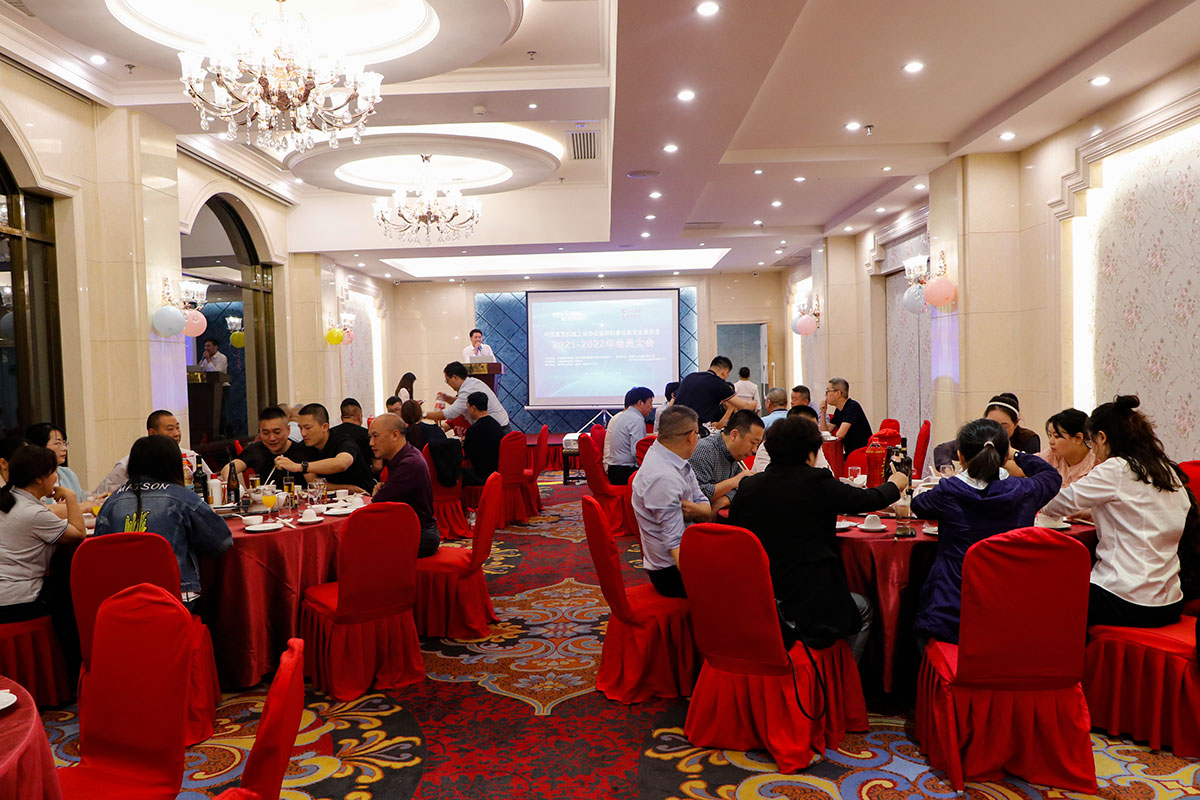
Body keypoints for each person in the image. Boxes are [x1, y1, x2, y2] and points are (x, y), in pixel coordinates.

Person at [729, 416, 908, 661]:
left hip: (758, 597)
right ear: (812, 454)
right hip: (810, 601)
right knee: (864, 608)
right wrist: (894, 484)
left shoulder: (749, 487)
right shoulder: (818, 483)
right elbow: (867, 500)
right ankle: (843, 674)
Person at [1041, 396, 1191, 627]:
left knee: (1045, 594)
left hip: (1126, 598)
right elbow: (1145, 515)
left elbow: (1057, 503)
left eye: (1091, 442)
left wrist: (1030, 489)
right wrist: (1094, 513)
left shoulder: (1116, 468)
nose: (1093, 450)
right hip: (1170, 600)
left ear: (1102, 437)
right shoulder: (1166, 470)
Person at [912, 419, 1062, 644]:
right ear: (1004, 458)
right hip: (1009, 614)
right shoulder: (1025, 491)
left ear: (960, 457)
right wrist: (1017, 454)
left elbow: (918, 505)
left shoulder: (949, 492)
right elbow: (1051, 476)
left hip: (952, 615)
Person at [95, 436, 232, 609]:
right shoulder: (182, 497)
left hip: (121, 600)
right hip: (174, 599)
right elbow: (222, 541)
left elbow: (99, 551)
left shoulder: (111, 502)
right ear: (173, 464)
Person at [632, 405, 711, 598]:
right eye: (698, 435)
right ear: (691, 436)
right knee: (744, 576)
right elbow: (675, 545)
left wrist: (700, 510)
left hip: (687, 551)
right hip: (671, 573)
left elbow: (702, 501)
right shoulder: (663, 477)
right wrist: (702, 585)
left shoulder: (671, 457)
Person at [0, 446, 85, 623]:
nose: (56, 477)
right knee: (71, 586)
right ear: (39, 479)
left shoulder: (9, 499)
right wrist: (70, 496)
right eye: (53, 472)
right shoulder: (34, 513)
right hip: (17, 600)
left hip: (5, 594)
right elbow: (79, 533)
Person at [369, 414, 440, 557]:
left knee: (361, 547)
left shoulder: (409, 464)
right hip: (411, 530)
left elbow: (378, 502)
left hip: (420, 535)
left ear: (395, 435)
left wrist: (381, 491)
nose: (371, 443)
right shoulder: (405, 456)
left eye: (375, 436)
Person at [93, 410, 210, 496]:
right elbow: (100, 495)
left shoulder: (192, 457)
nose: (176, 433)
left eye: (177, 428)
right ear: (152, 433)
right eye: (170, 429)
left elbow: (212, 482)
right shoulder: (128, 463)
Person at [273, 403, 375, 493]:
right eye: (300, 428)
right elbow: (314, 484)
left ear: (325, 427)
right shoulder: (304, 447)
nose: (303, 433)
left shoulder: (343, 441)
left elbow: (342, 463)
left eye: (308, 428)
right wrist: (349, 489)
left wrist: (300, 466)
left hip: (363, 497)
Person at [221, 406, 314, 489]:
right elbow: (228, 469)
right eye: (266, 433)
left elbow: (315, 484)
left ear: (288, 430)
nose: (272, 438)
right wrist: (239, 489)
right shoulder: (255, 450)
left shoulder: (303, 451)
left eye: (277, 432)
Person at [673, 356, 756, 428]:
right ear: (725, 372)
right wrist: (755, 403)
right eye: (728, 375)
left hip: (674, 424)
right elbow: (744, 406)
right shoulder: (718, 383)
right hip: (693, 429)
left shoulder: (690, 377)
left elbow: (672, 401)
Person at [427, 361, 511, 433]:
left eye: (447, 380)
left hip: (497, 429)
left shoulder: (467, 390)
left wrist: (423, 414)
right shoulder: (472, 382)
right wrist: (447, 398)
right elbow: (463, 402)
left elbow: (449, 413)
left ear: (455, 377)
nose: (448, 384)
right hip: (496, 426)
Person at [753, 404, 828, 474]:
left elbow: (826, 472)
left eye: (814, 429)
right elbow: (769, 477)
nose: (812, 434)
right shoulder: (770, 446)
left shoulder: (814, 445)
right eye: (806, 428)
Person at [604, 387, 654, 486]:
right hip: (625, 472)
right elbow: (637, 452)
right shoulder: (637, 419)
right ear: (640, 403)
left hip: (614, 470)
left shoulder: (622, 416)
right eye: (650, 403)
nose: (652, 407)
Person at [1037, 408, 1096, 487]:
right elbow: (1025, 465)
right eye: (1050, 435)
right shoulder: (1051, 455)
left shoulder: (1096, 464)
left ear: (1078, 438)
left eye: (1057, 436)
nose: (1051, 442)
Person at [26, 423, 82, 498]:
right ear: (39, 447)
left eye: (64, 443)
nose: (64, 448)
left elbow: (81, 498)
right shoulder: (31, 477)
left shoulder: (68, 474)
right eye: (58, 443)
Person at [820, 378, 872, 458]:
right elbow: (825, 431)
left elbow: (840, 434)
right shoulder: (839, 410)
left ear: (838, 393)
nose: (825, 395)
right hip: (851, 453)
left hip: (862, 453)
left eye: (828, 391)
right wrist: (823, 412)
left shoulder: (852, 407)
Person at [461, 392, 505, 486]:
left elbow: (466, 454)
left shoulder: (473, 429)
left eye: (468, 408)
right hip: (497, 472)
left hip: (481, 475)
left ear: (473, 408)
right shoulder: (497, 425)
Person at [331, 397, 372, 466]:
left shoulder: (331, 434)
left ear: (341, 418)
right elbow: (377, 466)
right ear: (359, 417)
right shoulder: (366, 434)